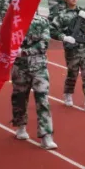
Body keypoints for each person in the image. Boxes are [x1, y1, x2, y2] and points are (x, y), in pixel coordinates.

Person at [50, 0, 85, 113]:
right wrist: (64, 37)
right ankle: (68, 93)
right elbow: (52, 30)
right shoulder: (61, 15)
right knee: (72, 73)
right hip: (71, 49)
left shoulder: (83, 12)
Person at [11, 13, 57, 150]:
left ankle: (46, 135)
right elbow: (7, 41)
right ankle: (21, 126)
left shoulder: (42, 21)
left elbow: (44, 44)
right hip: (20, 67)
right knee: (19, 97)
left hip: (39, 67)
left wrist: (24, 52)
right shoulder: (13, 20)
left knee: (42, 99)